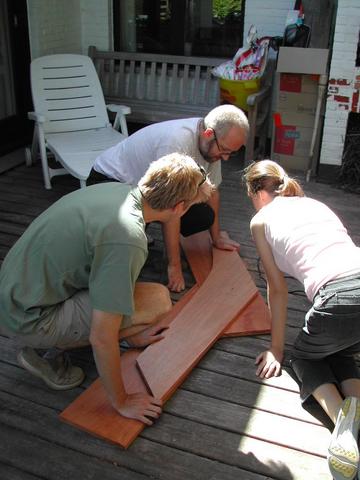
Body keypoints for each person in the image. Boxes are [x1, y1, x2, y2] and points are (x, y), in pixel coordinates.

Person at [0, 153, 215, 425]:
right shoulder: (128, 238)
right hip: (28, 318)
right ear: (179, 207)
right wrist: (122, 401)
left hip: (15, 292)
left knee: (145, 298)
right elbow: (101, 338)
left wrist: (131, 335)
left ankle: (63, 338)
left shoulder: (118, 191)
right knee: (158, 303)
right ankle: (47, 355)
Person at [243, 159, 360, 480]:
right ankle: (357, 407)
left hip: (338, 297)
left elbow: (277, 290)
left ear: (256, 192)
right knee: (340, 346)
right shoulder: (315, 203)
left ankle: (343, 425)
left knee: (305, 356)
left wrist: (276, 350)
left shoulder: (260, 220)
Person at [88, 104, 249, 292]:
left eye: (231, 153)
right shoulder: (176, 143)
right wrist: (174, 266)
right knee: (126, 246)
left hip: (146, 187)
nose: (226, 158)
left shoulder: (213, 148)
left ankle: (144, 228)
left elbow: (212, 192)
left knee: (203, 216)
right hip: (111, 180)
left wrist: (216, 238)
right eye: (224, 151)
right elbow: (171, 207)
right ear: (208, 134)